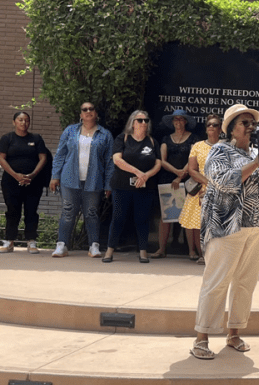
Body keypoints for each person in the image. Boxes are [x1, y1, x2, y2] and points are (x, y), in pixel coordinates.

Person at [191, 104, 259, 359]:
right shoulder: (219, 151)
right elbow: (224, 182)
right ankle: (202, 338)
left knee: (246, 283)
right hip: (226, 226)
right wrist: (257, 163)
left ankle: (234, 334)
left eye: (254, 123)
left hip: (258, 227)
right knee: (217, 281)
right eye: (245, 123)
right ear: (232, 128)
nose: (252, 127)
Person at [49, 101, 114, 258]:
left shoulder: (105, 134)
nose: (88, 111)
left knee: (91, 213)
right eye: (84, 109)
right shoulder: (70, 131)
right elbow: (60, 155)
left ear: (96, 113)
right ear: (80, 114)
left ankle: (94, 246)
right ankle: (62, 245)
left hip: (93, 180)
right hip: (70, 179)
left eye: (91, 108)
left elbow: (109, 162)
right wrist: (55, 176)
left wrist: (108, 184)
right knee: (68, 212)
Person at [103, 110, 162, 263]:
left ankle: (143, 251)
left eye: (146, 120)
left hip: (144, 188)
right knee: (118, 218)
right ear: (133, 122)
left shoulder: (152, 141)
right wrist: (138, 172)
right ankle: (109, 250)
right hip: (122, 186)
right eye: (140, 120)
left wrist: (146, 176)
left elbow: (158, 163)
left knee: (142, 219)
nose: (144, 123)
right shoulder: (122, 139)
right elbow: (117, 160)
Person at [152, 109, 198, 259]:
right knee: (167, 216)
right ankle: (161, 249)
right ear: (172, 122)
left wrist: (181, 175)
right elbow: (162, 160)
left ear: (185, 121)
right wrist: (176, 172)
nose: (178, 122)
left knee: (188, 216)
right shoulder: (166, 139)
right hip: (168, 181)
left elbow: (193, 158)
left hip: (188, 181)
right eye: (175, 120)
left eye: (181, 119)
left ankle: (191, 251)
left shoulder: (193, 139)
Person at [0, 111, 48, 254]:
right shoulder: (7, 138)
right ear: (14, 122)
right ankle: (9, 241)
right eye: (20, 120)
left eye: (26, 120)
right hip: (11, 181)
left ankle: (31, 241)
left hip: (33, 181)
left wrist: (32, 175)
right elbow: (1, 158)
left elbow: (43, 158)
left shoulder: (36, 138)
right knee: (12, 210)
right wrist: (16, 175)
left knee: (31, 210)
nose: (24, 123)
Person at [179, 113, 223, 266]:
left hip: (221, 188)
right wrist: (208, 184)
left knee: (219, 224)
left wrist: (215, 186)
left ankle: (217, 256)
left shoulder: (227, 146)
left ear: (221, 128)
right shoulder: (197, 146)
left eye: (215, 124)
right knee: (198, 224)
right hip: (200, 188)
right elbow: (192, 170)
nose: (211, 127)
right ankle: (202, 254)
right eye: (209, 125)